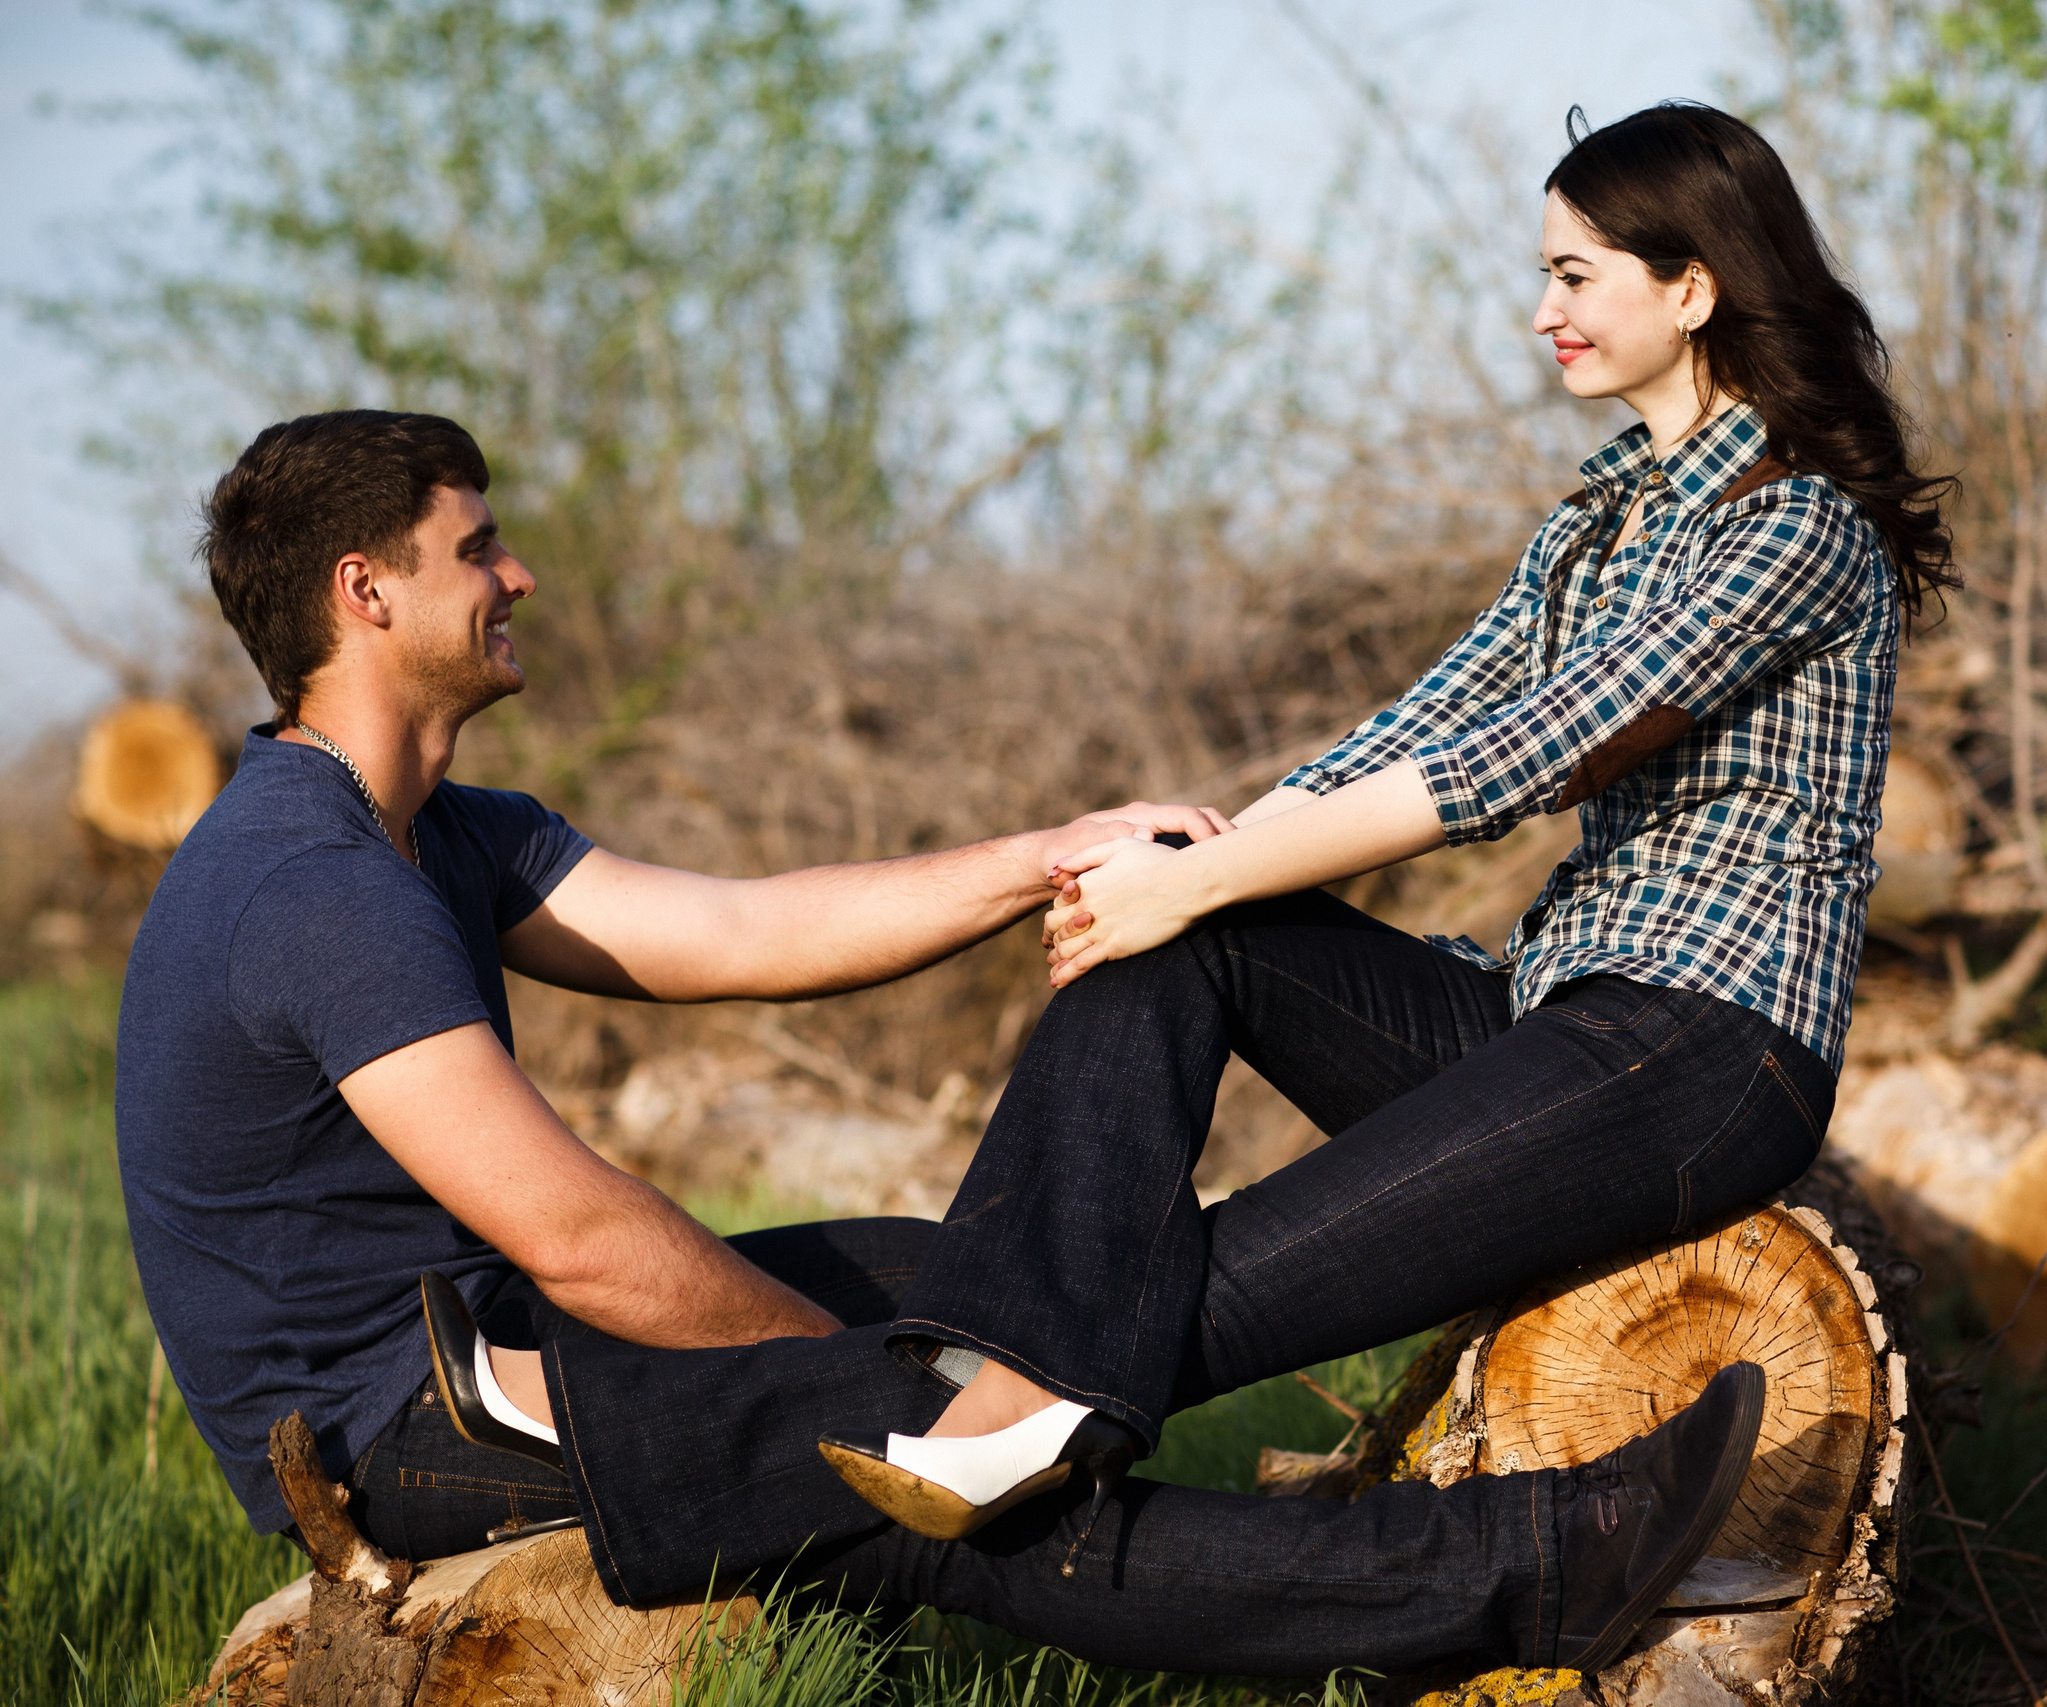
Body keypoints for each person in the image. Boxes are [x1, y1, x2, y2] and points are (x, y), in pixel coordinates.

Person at [116, 406, 1766, 1681]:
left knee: (968, 1289)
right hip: (416, 1421)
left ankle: (1065, 1417)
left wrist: (1046, 857)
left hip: (489, 1332)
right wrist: (893, 1388)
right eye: (477, 548)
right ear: (368, 589)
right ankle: (1535, 1568)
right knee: (928, 1485)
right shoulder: (309, 886)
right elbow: (583, 1239)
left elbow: (748, 935)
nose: (517, 575)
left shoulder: (438, 831)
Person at [854, 101, 1958, 1537]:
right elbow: (1427, 721)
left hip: (1701, 1051)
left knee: (1214, 1283)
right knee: (1194, 931)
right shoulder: (1600, 519)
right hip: (1551, 1016)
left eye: (1576, 276)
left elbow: (1534, 753)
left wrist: (1199, 878)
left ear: (1691, 289)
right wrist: (1198, 862)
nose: (1542, 311)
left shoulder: (1793, 524)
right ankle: (986, 1388)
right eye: (1543, 275)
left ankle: (949, 1431)